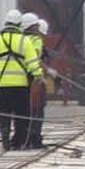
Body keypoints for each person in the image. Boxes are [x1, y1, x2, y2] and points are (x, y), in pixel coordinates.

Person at [0, 9, 41, 151]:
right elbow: (32, 62)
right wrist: (37, 76)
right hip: (20, 86)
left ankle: (5, 135)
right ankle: (18, 142)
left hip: (2, 85)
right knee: (22, 116)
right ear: (19, 24)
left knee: (4, 113)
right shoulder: (24, 41)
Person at [24, 16, 51, 149]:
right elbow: (36, 60)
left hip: (23, 81)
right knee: (37, 111)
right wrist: (47, 73)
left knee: (27, 111)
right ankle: (35, 139)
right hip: (35, 81)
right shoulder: (35, 41)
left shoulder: (21, 40)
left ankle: (26, 139)